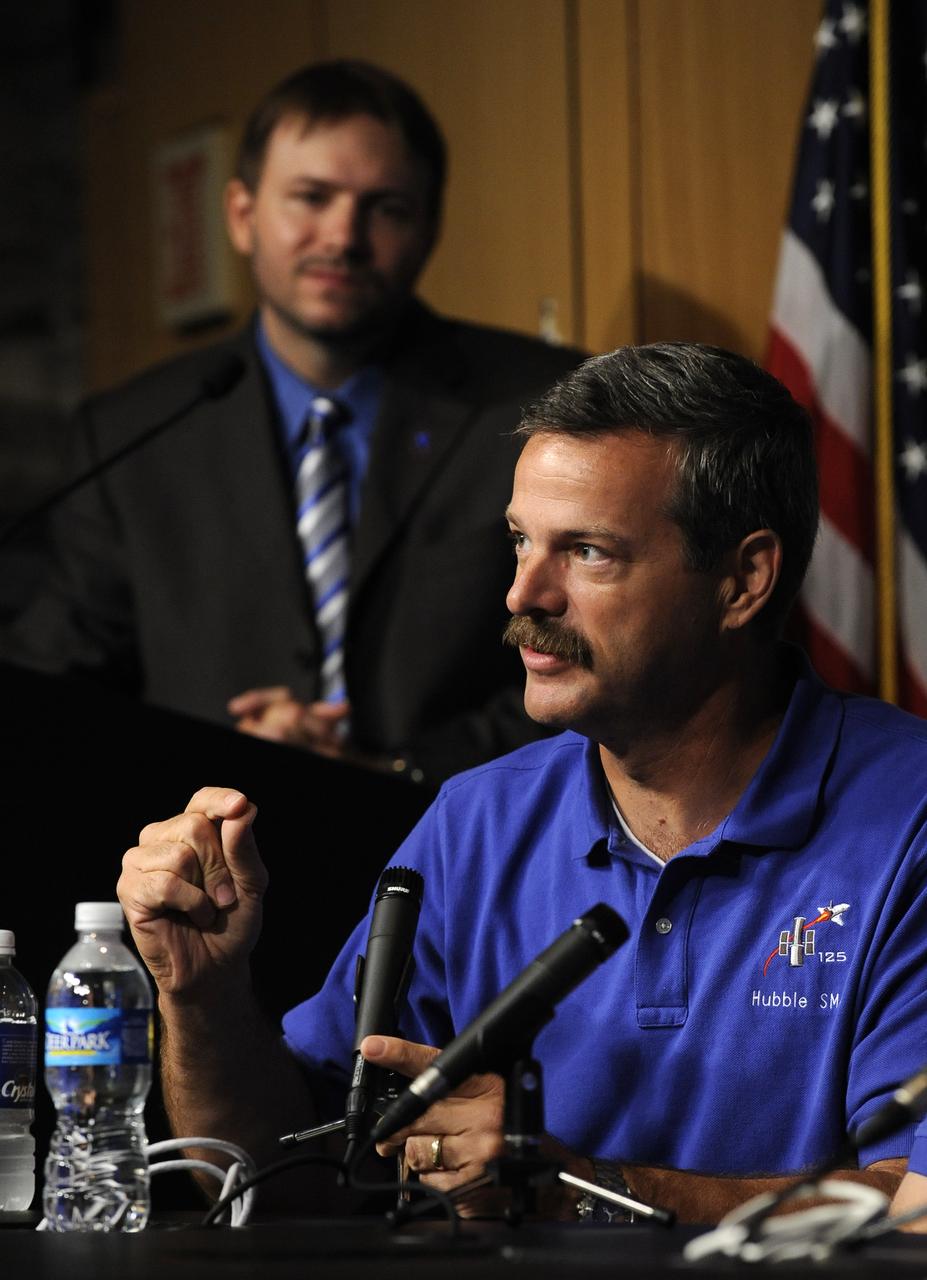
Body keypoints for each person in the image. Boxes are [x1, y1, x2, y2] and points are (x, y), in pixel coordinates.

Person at [117, 343, 927, 1224]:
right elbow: (280, 1183)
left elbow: (914, 1209)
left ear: (743, 580)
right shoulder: (478, 819)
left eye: (587, 552)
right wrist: (202, 998)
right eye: (519, 542)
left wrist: (587, 1193)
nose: (522, 595)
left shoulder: (908, 815)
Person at [0, 59, 582, 785]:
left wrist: (392, 770)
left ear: (430, 227)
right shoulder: (131, 433)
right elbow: (59, 686)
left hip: (468, 830)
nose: (343, 236)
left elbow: (596, 660)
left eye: (386, 207)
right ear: (241, 215)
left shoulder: (543, 408)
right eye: (311, 198)